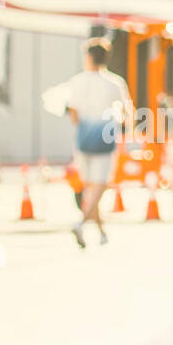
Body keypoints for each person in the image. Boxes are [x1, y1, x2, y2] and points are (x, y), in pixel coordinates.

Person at [65, 38, 131, 248]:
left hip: (83, 139)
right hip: (104, 139)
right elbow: (127, 112)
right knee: (99, 186)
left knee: (90, 187)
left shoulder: (77, 81)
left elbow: (73, 113)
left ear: (89, 57)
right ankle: (81, 224)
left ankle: (101, 232)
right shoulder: (114, 83)